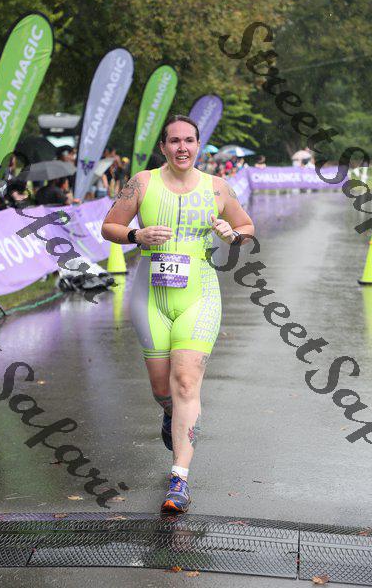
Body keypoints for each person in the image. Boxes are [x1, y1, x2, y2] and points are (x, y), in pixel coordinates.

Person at [101, 115, 254, 514]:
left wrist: (233, 235)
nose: (182, 147)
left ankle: (179, 479)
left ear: (198, 145)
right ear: (163, 147)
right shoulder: (142, 182)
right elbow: (109, 226)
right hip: (149, 296)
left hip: (199, 296)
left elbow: (247, 227)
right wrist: (136, 235)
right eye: (174, 141)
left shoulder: (217, 187)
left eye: (189, 140)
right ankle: (170, 413)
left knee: (186, 382)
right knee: (162, 390)